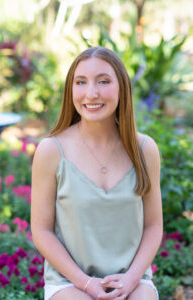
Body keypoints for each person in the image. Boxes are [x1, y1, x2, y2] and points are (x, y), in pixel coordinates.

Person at [31, 46, 163, 300]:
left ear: (122, 88)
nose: (91, 93)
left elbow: (154, 225)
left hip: (132, 279)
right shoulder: (51, 151)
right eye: (81, 82)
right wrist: (85, 282)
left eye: (103, 81)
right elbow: (42, 231)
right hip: (69, 282)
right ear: (71, 90)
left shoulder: (145, 149)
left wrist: (132, 277)